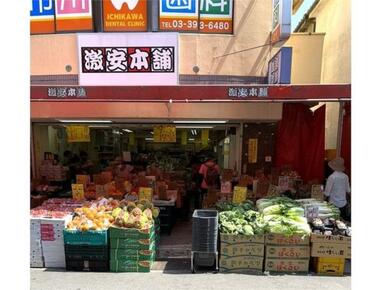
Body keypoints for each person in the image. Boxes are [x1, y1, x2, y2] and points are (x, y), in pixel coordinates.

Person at [324, 157, 351, 221]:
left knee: (334, 222)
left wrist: (322, 200)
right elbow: (348, 190)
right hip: (343, 204)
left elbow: (327, 193)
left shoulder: (332, 177)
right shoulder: (346, 176)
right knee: (342, 223)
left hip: (333, 204)